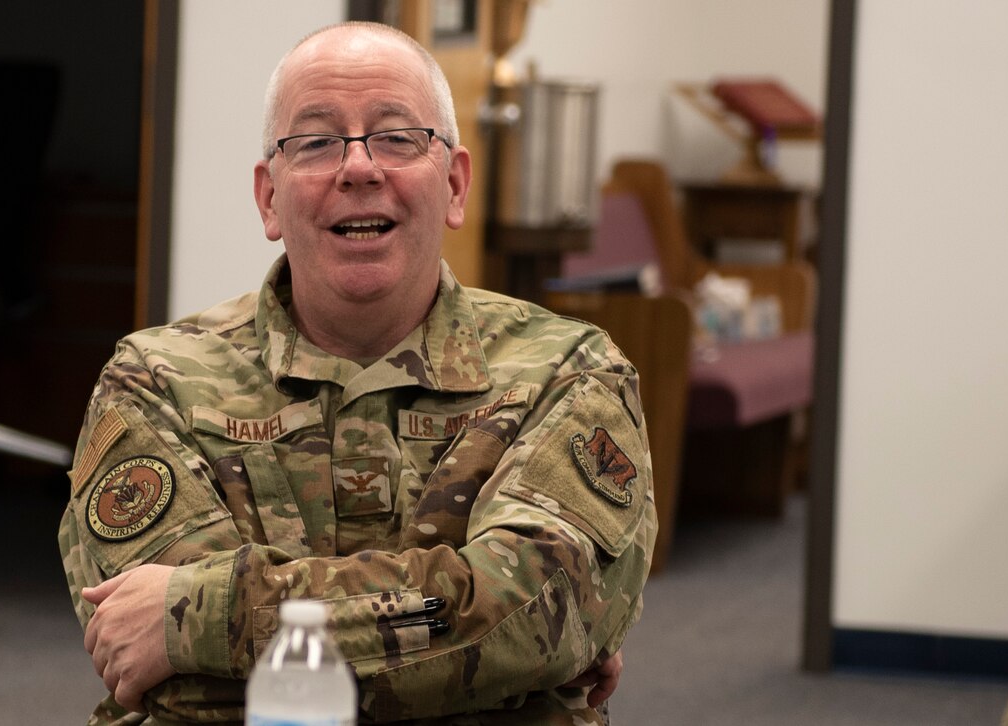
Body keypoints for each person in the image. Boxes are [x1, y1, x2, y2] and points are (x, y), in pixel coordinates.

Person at [59, 21, 656, 725]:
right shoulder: (155, 382)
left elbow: (533, 617)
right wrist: (497, 663)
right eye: (316, 142)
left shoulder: (568, 372)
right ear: (269, 198)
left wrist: (203, 622)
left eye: (397, 137)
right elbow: (169, 687)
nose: (359, 167)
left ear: (455, 184)